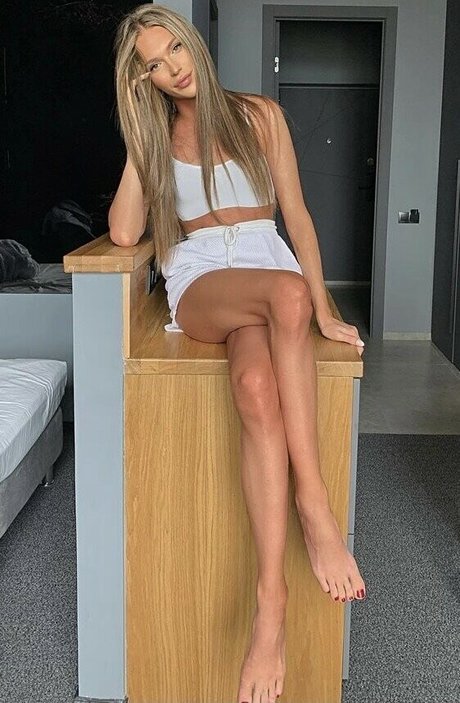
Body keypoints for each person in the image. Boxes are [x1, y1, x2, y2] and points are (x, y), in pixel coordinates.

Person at [109, 4, 366, 702]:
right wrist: (138, 132)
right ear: (144, 81)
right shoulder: (157, 135)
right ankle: (314, 505)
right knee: (284, 296)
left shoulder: (260, 116)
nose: (172, 68)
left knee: (255, 386)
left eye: (174, 50)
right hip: (202, 282)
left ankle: (269, 602)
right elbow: (125, 230)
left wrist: (326, 309)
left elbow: (298, 216)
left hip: (264, 268)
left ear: (192, 42)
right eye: (153, 66)